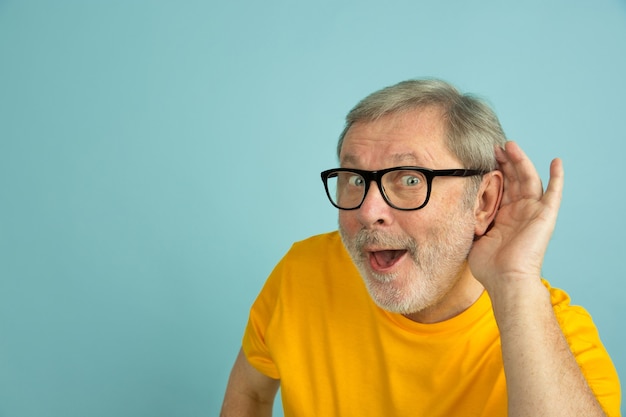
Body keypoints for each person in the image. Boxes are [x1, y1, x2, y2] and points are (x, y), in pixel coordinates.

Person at [220, 79, 621, 416]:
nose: (367, 210)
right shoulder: (301, 273)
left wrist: (515, 282)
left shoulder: (557, 341)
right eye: (355, 178)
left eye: (409, 179)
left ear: (482, 202)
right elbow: (251, 393)